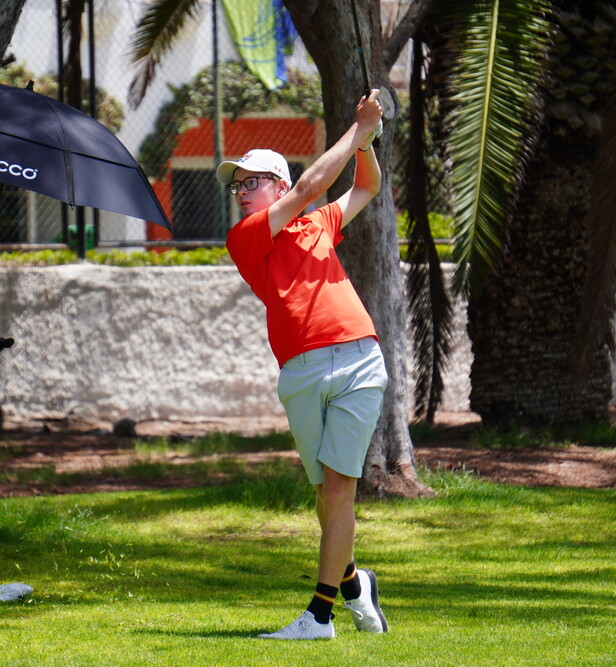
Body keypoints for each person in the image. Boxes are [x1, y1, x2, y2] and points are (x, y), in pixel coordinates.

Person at [217, 89, 389, 640]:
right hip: (302, 373)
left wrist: (368, 143)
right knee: (326, 496)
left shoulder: (317, 225)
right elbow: (316, 183)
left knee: (338, 489)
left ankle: (320, 616)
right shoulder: (246, 237)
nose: (241, 192)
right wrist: (357, 130)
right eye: (237, 185)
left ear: (277, 186)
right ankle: (357, 586)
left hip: (361, 359)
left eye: (252, 182)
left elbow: (367, 187)